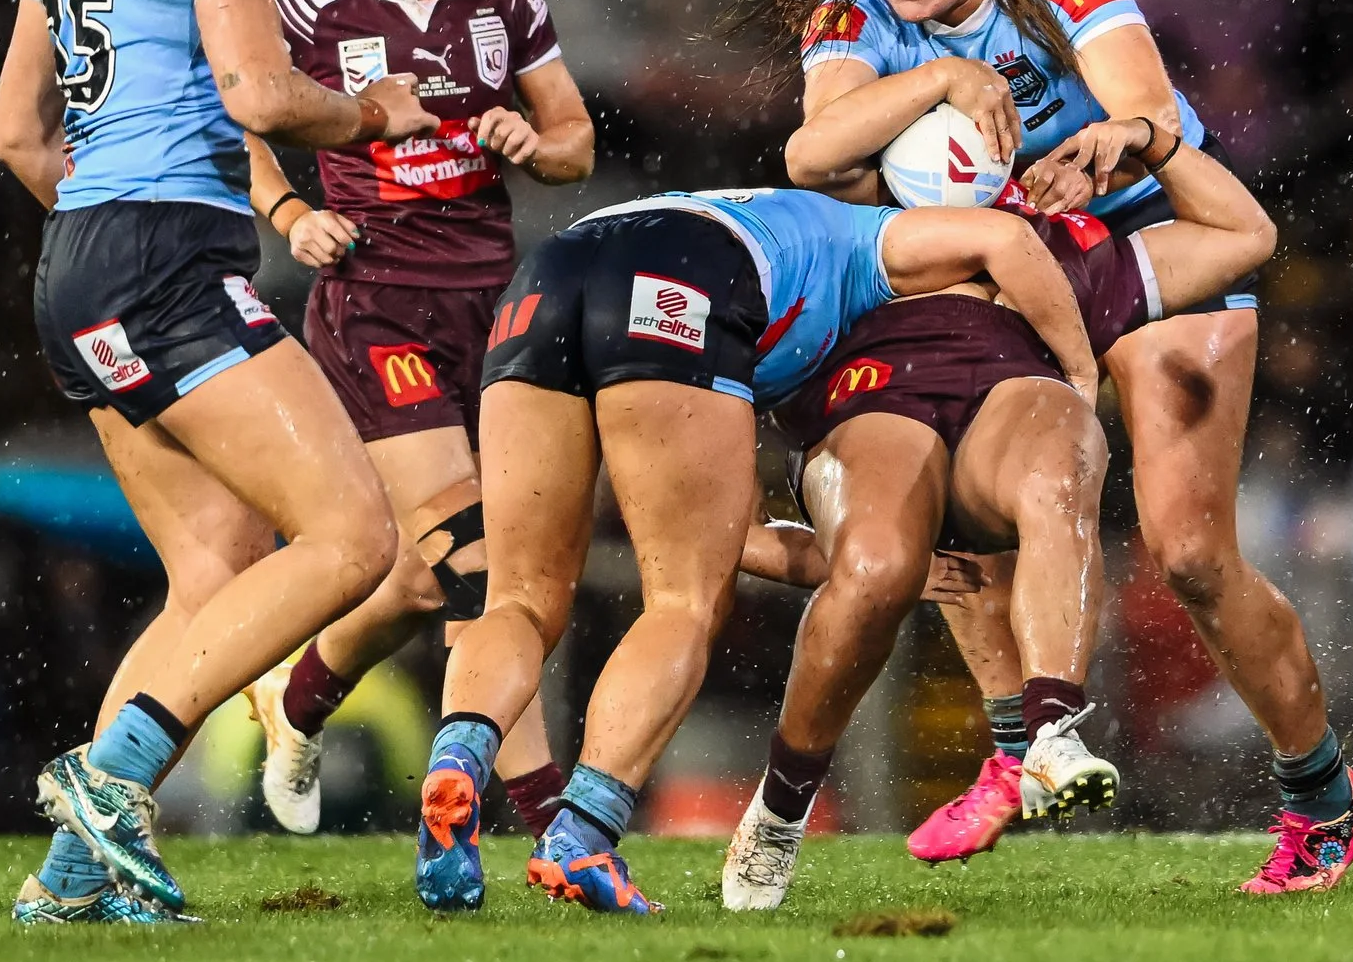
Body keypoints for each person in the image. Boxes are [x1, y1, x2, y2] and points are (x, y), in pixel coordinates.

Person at [743, 0, 1353, 894]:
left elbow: (1151, 112)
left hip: (1143, 237)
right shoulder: (853, 8)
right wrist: (943, 78)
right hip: (1000, 264)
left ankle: (1326, 798)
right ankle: (1020, 749)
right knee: (964, 511)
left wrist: (1114, 142)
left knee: (1188, 552)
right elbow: (812, 153)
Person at [0, 0, 435, 921]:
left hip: (77, 261)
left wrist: (105, 236)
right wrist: (371, 112)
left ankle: (71, 880)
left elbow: (16, 135)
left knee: (216, 569)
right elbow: (255, 91)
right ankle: (110, 780)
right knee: (354, 538)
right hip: (163, 259)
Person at [413, 187, 1094, 915]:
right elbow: (1004, 238)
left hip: (548, 274)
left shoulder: (770, 225)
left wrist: (862, 564)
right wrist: (1080, 373)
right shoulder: (869, 241)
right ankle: (581, 833)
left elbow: (738, 535)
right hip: (681, 276)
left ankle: (457, 758)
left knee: (519, 597)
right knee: (682, 602)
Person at [721, 115, 1280, 909]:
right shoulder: (846, 237)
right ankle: (781, 809)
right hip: (876, 402)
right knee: (874, 568)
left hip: (1011, 410)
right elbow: (720, 356)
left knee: (1062, 464)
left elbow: (1248, 235)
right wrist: (741, 527)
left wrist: (1151, 138)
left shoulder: (1066, 246)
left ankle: (1050, 731)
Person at [237, 0, 594, 839]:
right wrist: (290, 214)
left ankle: (300, 694)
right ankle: (538, 812)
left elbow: (576, 143)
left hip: (495, 303)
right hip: (376, 298)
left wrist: (530, 142)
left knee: (436, 577)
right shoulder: (307, 14)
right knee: (480, 559)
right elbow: (238, 125)